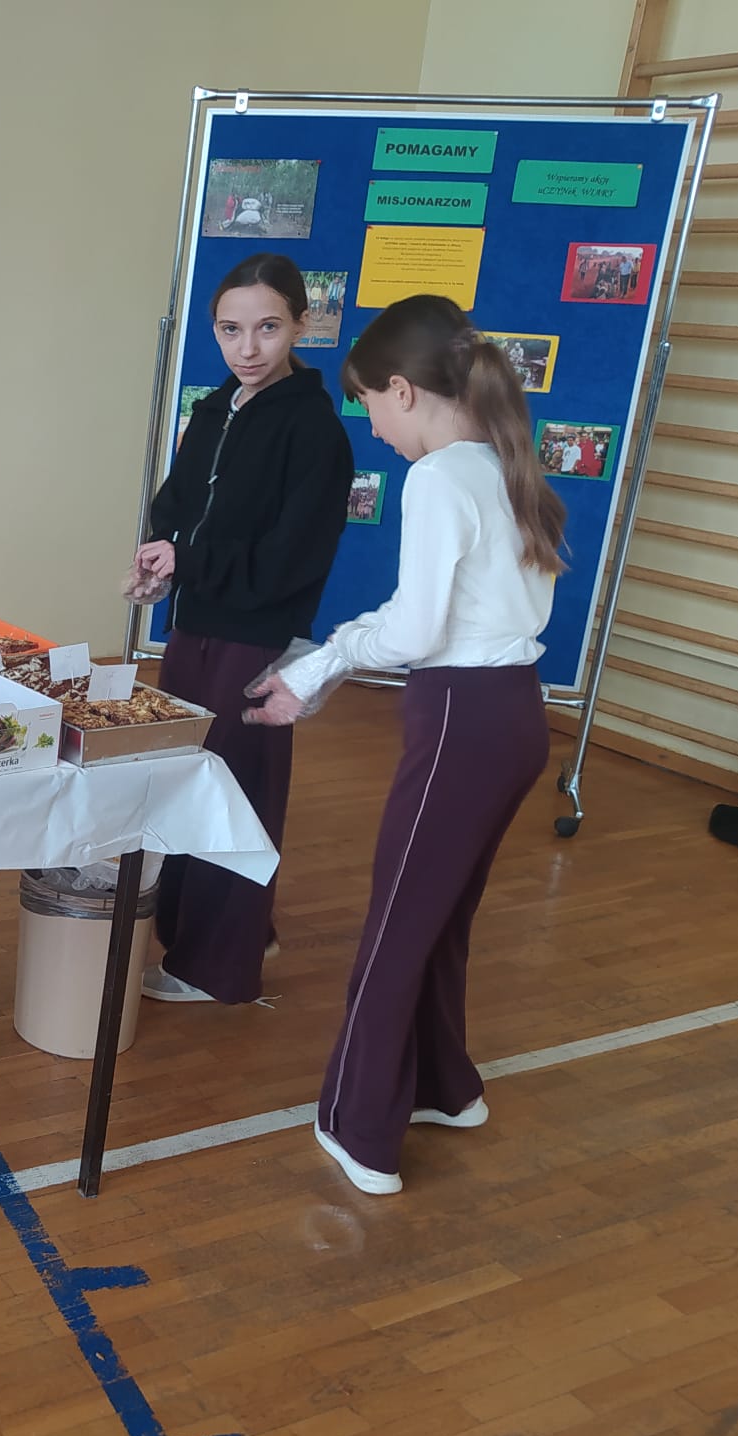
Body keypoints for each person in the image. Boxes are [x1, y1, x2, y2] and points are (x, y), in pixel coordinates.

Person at [244, 294, 565, 1195]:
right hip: (515, 716)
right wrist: (324, 667)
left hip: (461, 718)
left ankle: (362, 1130)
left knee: (397, 924)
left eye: (370, 406)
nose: (375, 429)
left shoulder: (440, 477)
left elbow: (417, 630)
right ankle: (443, 1088)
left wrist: (319, 667)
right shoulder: (502, 460)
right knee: (439, 915)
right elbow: (435, 618)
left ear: (403, 390)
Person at [128, 253, 353, 1006]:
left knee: (235, 790)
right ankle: (231, 931)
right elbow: (177, 506)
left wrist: (192, 559)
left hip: (258, 638)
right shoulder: (216, 408)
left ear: (301, 325)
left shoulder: (314, 431)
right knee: (189, 778)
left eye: (267, 328)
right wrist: (162, 561)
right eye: (230, 329)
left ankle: (216, 969)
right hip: (196, 627)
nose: (247, 348)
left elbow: (291, 560)